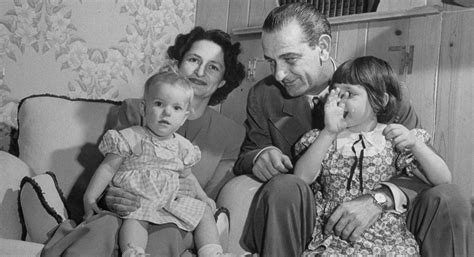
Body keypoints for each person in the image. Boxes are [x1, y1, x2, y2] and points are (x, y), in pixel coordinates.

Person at [234, 3, 471, 257]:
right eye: (271, 62)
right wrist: (260, 156)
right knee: (283, 186)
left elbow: (424, 167)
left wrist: (379, 199)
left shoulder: (381, 88)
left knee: (450, 198)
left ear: (323, 47)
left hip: (389, 222)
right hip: (312, 216)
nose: (279, 74)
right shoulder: (264, 95)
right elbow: (249, 152)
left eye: (290, 59)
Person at [47, 27, 246, 257]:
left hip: (178, 218)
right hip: (133, 211)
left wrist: (197, 196)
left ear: (222, 81)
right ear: (178, 63)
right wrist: (107, 197)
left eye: (213, 67)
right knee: (108, 226)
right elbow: (111, 168)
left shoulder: (231, 134)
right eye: (193, 59)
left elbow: (207, 201)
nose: (200, 71)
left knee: (171, 232)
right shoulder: (136, 110)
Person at [293, 56, 451, 256]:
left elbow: (443, 178)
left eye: (350, 93)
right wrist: (329, 132)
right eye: (335, 93)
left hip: (388, 240)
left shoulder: (394, 137)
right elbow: (301, 178)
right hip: (335, 236)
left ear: (380, 101)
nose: (340, 100)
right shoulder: (323, 138)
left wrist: (416, 145)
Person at [83, 69, 234, 257]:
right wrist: (90, 197)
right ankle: (134, 251)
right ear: (144, 108)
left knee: (203, 212)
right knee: (136, 218)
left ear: (184, 117)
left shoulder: (182, 146)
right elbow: (107, 167)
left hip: (169, 200)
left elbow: (187, 176)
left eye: (176, 108)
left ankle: (212, 252)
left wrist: (203, 197)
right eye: (159, 104)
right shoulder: (131, 136)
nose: (167, 113)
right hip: (139, 198)